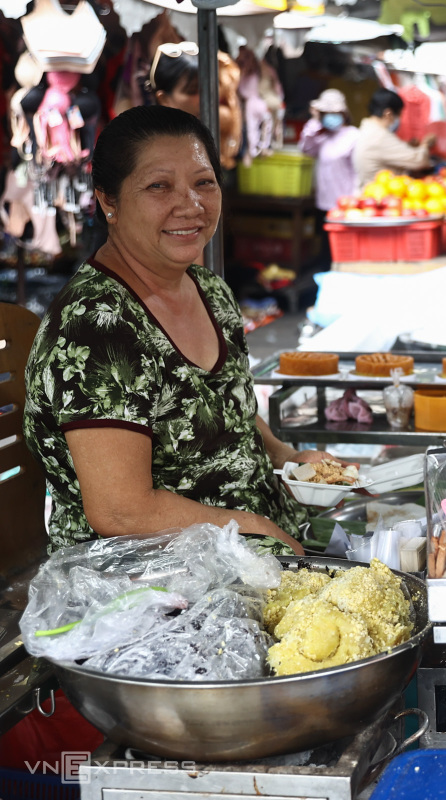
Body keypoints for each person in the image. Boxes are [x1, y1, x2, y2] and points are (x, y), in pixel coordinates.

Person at [23, 105, 344, 554]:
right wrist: (254, 527)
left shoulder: (209, 290)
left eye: (203, 183)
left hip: (248, 546)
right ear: (108, 201)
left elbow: (222, 406)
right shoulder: (97, 325)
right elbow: (122, 511)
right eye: (159, 186)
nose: (191, 205)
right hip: (150, 580)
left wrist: (287, 459)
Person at [147, 42, 241, 171]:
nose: (203, 99)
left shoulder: (204, 137)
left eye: (206, 90)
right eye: (192, 91)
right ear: (164, 99)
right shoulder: (148, 149)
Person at [354, 88, 435, 188]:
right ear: (388, 114)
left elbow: (389, 151)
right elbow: (418, 160)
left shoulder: (367, 129)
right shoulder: (379, 136)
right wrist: (425, 144)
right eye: (399, 115)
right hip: (380, 196)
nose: (399, 120)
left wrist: (408, 145)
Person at [300, 88, 360, 214]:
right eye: (325, 112)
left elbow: (358, 171)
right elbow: (306, 149)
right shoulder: (320, 135)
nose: (329, 116)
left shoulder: (354, 135)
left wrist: (355, 198)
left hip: (345, 204)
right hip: (323, 203)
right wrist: (315, 120)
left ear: (343, 113)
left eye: (333, 112)